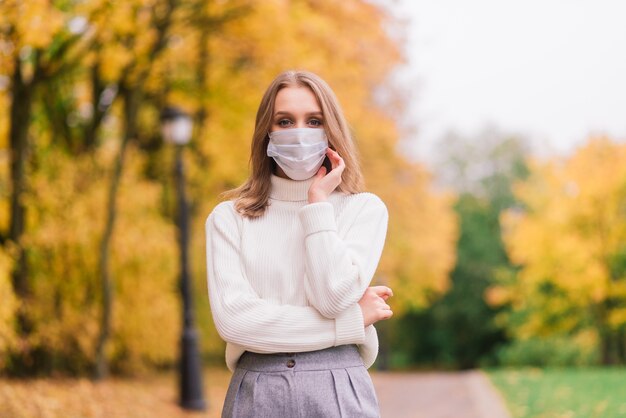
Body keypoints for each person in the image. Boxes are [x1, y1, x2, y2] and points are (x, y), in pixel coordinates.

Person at [205, 70, 393, 418]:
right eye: (285, 121)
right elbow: (235, 322)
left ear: (330, 130)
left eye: (314, 120)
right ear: (267, 132)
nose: (299, 133)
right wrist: (348, 325)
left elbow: (332, 295)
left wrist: (317, 204)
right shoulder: (229, 218)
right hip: (257, 389)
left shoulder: (363, 209)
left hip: (338, 387)